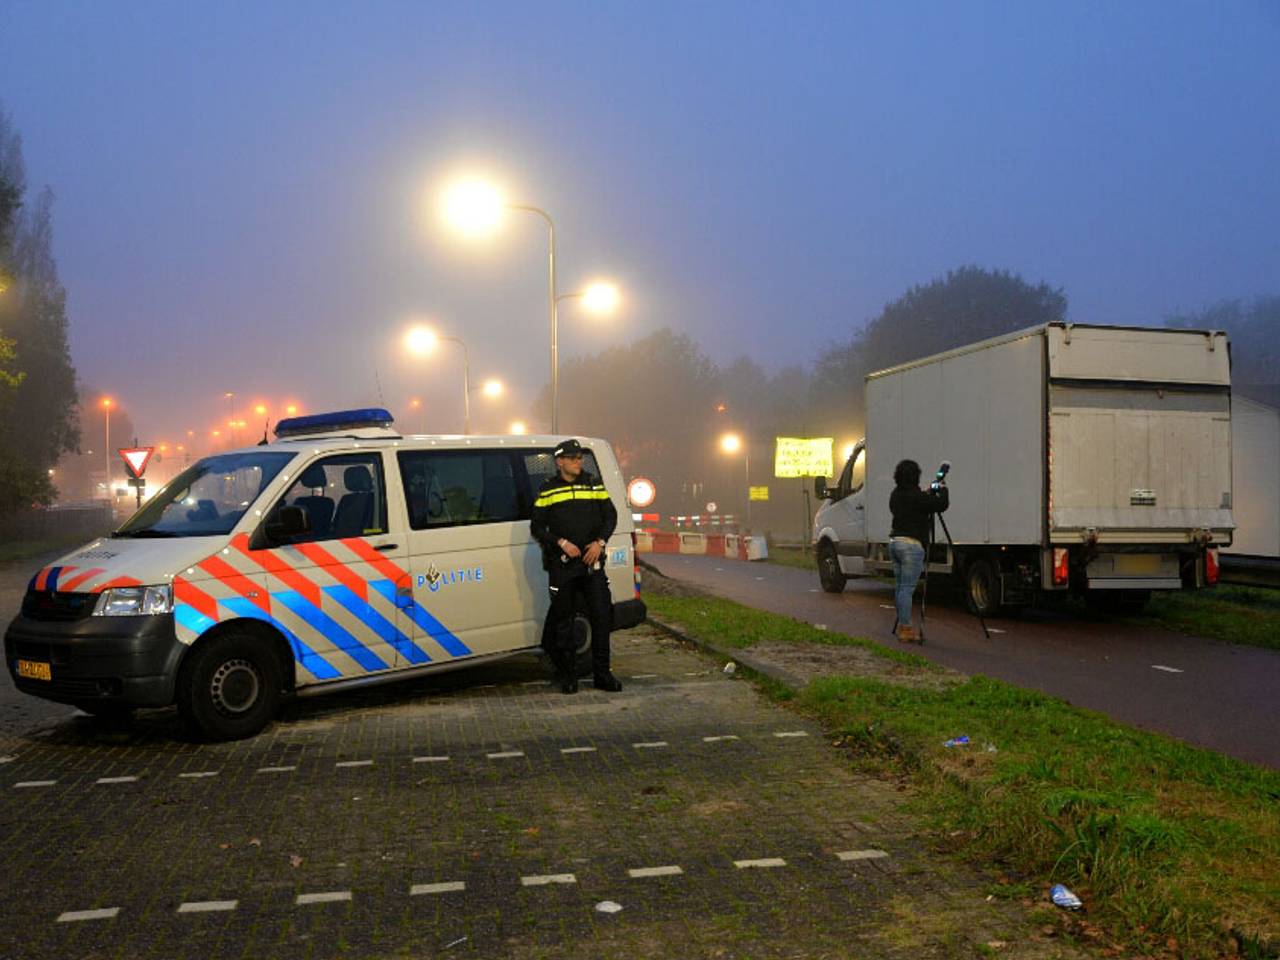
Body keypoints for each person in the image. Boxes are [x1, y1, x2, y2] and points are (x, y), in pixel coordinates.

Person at [529, 438, 623, 694]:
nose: (578, 462)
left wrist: (600, 543)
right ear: (560, 462)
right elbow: (536, 526)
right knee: (564, 623)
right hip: (563, 568)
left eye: (580, 457)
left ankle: (602, 676)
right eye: (572, 458)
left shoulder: (593, 483)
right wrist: (560, 543)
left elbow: (610, 516)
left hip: (592, 566)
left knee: (602, 620)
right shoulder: (548, 489)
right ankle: (568, 677)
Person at [889, 459, 949, 642]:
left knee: (900, 587)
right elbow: (941, 505)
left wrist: (928, 493)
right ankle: (906, 629)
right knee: (907, 589)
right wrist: (943, 489)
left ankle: (902, 625)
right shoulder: (918, 497)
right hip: (912, 546)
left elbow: (917, 502)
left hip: (895, 542)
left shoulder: (895, 495)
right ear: (916, 476)